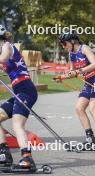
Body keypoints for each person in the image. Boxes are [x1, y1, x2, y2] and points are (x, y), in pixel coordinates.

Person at [57, 30, 95, 149]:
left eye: (64, 44)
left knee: (93, 109)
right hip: (88, 82)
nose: (63, 46)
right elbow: (72, 72)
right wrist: (62, 77)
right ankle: (90, 138)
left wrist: (78, 71)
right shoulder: (71, 54)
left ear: (72, 41)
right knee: (79, 108)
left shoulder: (84, 48)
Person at [0, 25, 38, 169]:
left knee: (17, 124)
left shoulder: (6, 46)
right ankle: (4, 154)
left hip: (26, 89)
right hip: (18, 92)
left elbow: (3, 59)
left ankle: (27, 158)